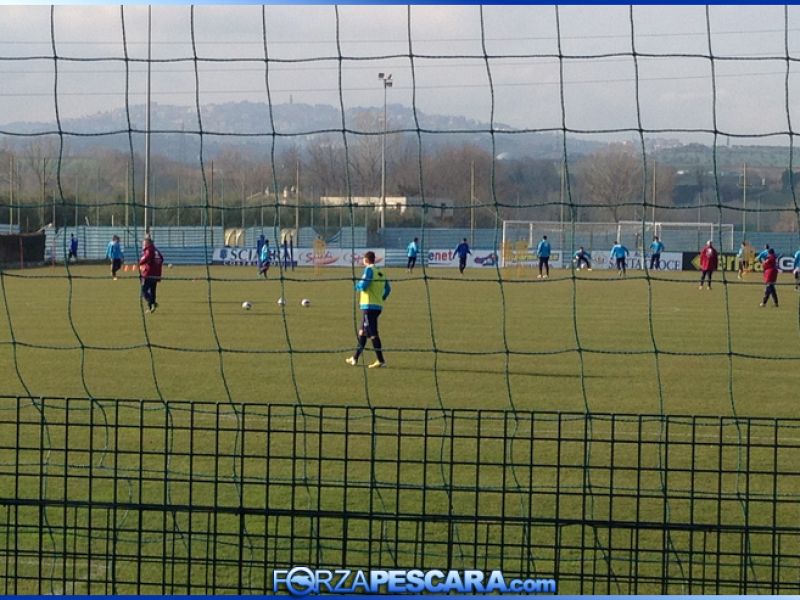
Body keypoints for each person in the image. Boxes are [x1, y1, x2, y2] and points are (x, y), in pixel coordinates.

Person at [346, 251, 391, 368]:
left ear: (366, 260)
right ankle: (355, 358)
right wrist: (381, 298)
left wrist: (357, 286)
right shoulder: (381, 272)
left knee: (373, 333)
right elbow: (388, 289)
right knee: (363, 332)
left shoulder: (369, 270)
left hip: (369, 307)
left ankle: (381, 360)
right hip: (377, 306)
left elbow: (364, 285)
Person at [139, 235, 164, 314]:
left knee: (144, 291)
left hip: (149, 273)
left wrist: (139, 262)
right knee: (152, 290)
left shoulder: (149, 250)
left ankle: (152, 303)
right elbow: (161, 258)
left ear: (148, 243)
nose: (143, 245)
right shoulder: (156, 250)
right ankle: (151, 308)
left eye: (144, 244)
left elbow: (146, 258)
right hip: (156, 274)